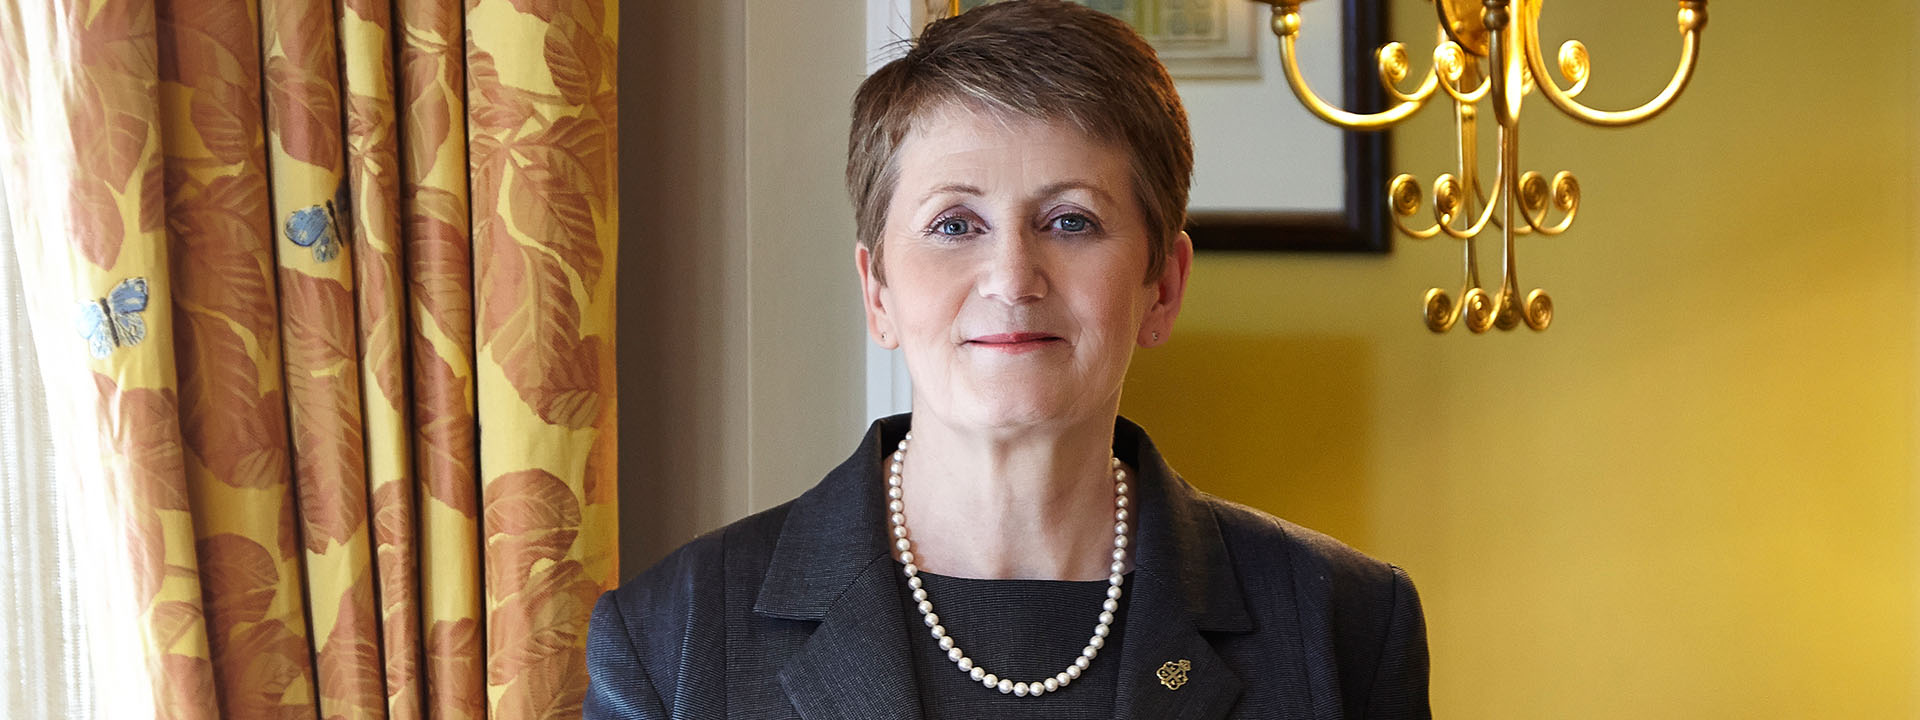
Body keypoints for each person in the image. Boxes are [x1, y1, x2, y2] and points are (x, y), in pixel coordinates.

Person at [584, 1, 1430, 717]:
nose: (1012, 278)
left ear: (1161, 286)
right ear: (878, 289)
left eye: (1070, 221)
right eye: (955, 225)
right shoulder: (671, 638)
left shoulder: (1346, 623)